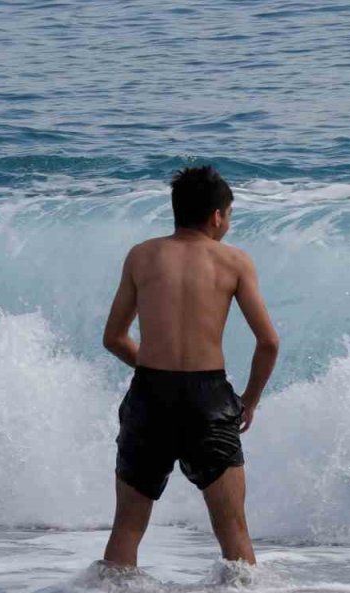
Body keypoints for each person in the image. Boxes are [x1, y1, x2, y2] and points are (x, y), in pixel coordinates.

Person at [100, 166, 280, 568]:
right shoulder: (234, 262)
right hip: (209, 399)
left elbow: (114, 337)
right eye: (229, 215)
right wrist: (248, 402)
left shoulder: (142, 255)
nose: (228, 224)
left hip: (150, 396)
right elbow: (268, 343)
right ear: (217, 215)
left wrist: (149, 366)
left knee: (127, 528)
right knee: (233, 532)